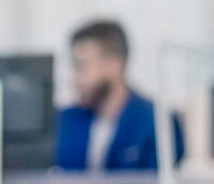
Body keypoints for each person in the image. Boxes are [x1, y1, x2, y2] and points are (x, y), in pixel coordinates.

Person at [55, 20, 183, 171]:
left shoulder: (158, 123)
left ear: (114, 63)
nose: (76, 79)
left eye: (82, 66)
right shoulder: (64, 121)